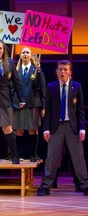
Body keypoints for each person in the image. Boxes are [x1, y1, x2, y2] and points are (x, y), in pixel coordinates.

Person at [37, 60, 88, 196]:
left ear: (70, 72)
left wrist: (82, 128)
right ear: (56, 71)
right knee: (51, 157)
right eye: (60, 69)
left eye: (65, 69)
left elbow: (80, 110)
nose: (62, 72)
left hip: (73, 127)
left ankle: (85, 184)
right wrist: (46, 129)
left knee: (78, 157)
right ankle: (46, 185)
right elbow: (47, 111)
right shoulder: (51, 87)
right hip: (56, 127)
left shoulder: (77, 86)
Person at [13, 47, 46, 162]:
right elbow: (12, 87)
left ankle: (33, 154)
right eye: (23, 52)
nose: (25, 54)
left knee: (33, 129)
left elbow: (41, 87)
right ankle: (17, 155)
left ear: (31, 55)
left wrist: (39, 71)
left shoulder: (36, 69)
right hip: (19, 104)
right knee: (19, 130)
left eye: (28, 52)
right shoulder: (15, 70)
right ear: (20, 55)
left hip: (33, 104)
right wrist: (14, 101)